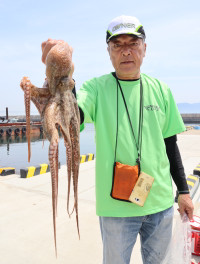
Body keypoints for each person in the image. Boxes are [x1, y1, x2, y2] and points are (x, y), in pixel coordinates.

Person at [41, 15, 194, 264]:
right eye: (117, 45)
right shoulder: (95, 88)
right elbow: (70, 118)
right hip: (115, 208)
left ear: (145, 48)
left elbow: (170, 144)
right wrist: (58, 73)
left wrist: (184, 192)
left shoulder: (161, 89)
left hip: (161, 204)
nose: (126, 52)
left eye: (133, 44)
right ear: (109, 52)